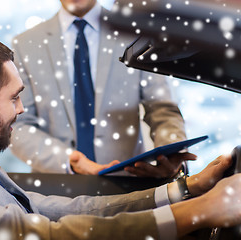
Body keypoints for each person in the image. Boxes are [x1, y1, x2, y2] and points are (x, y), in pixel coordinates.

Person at [0, 31, 241, 240]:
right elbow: (46, 235)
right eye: (15, 97)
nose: (21, 109)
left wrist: (186, 190)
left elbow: (58, 209)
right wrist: (200, 212)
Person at [10, 0, 189, 177]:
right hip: (57, 185)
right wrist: (67, 159)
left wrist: (172, 153)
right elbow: (19, 125)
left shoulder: (136, 34)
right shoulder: (26, 45)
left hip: (127, 185)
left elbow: (162, 109)